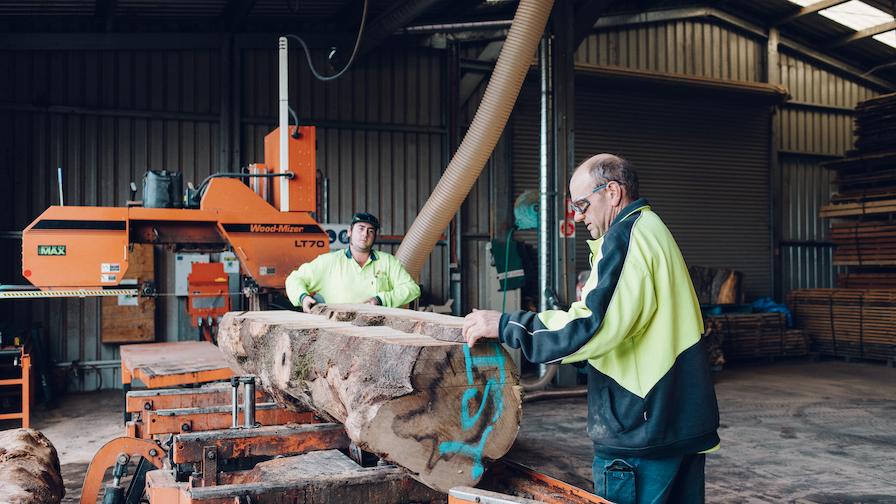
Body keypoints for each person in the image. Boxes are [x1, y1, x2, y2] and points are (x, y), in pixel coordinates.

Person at [463, 154, 719, 504]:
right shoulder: (652, 229)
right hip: (674, 420)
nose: (578, 215)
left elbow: (592, 326)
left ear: (612, 192)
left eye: (582, 204)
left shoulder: (627, 237)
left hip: (643, 430)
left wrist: (508, 325)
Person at [285, 212, 420, 311]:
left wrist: (381, 299)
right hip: (337, 333)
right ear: (349, 232)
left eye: (370, 231)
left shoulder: (388, 262)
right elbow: (294, 279)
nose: (365, 234)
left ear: (374, 236)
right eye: (361, 228)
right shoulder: (329, 262)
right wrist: (303, 297)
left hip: (379, 332)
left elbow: (412, 289)